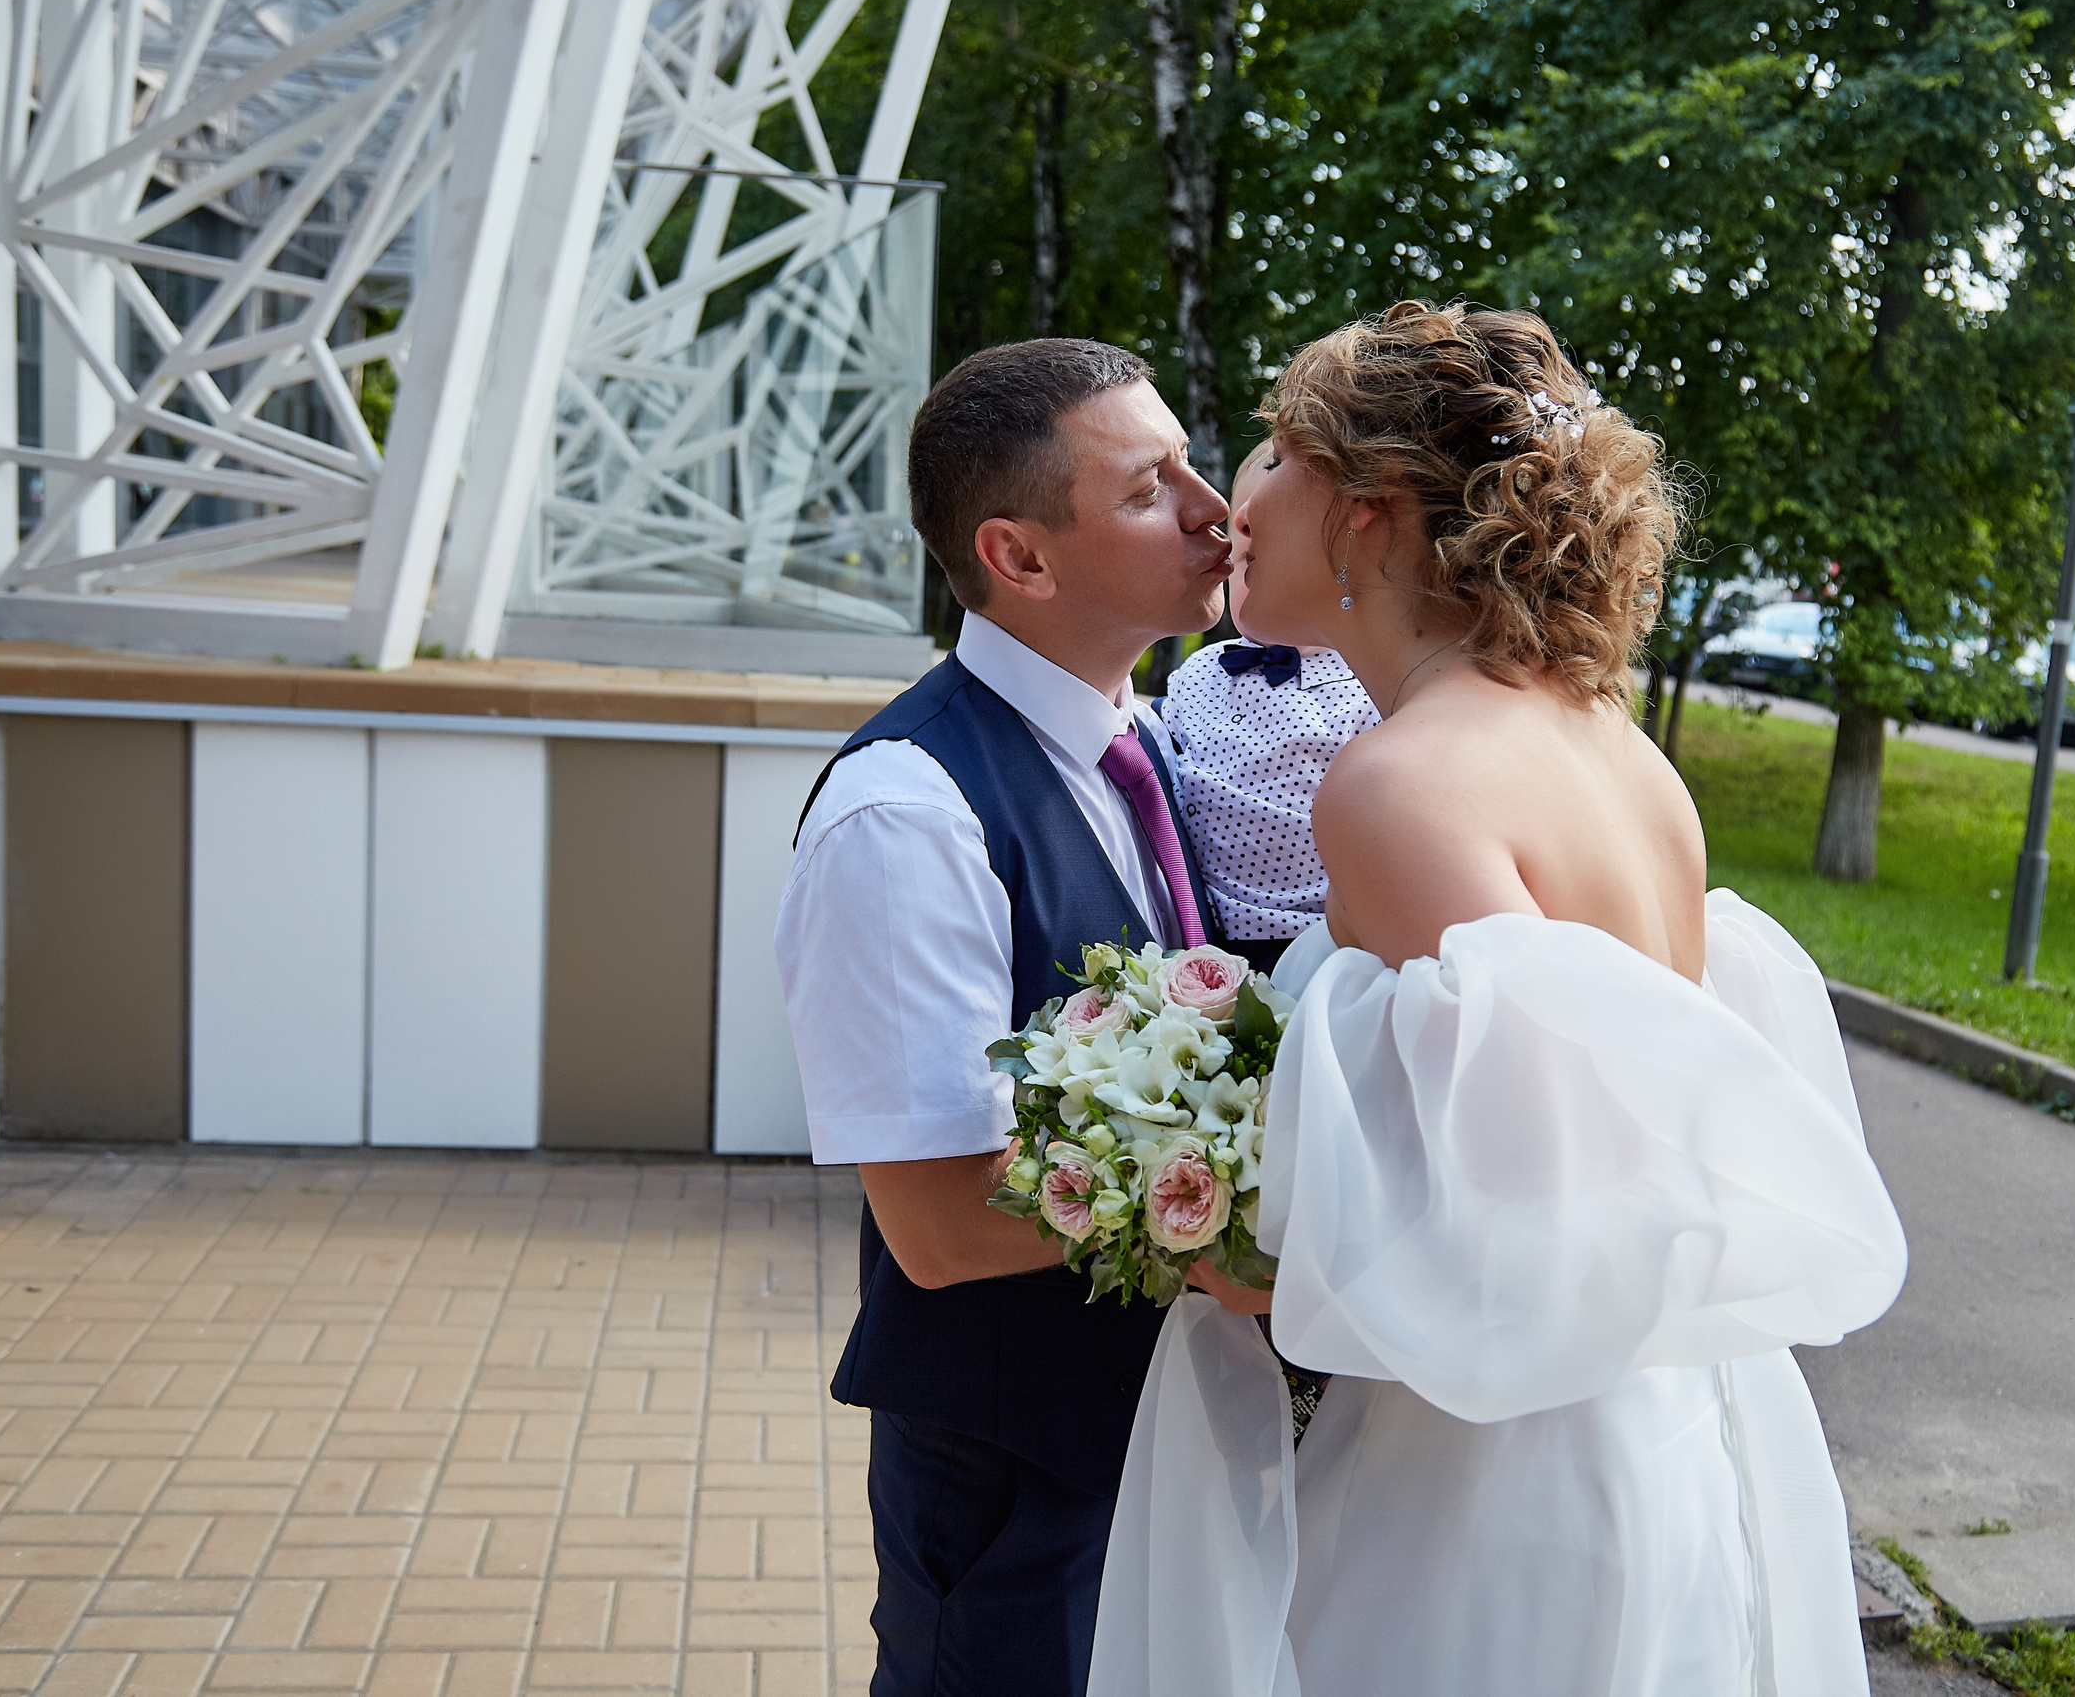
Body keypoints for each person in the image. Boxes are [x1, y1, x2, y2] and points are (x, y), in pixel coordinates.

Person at [1089, 301, 1909, 1697]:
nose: (1240, 497)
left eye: (1281, 459)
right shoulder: (1617, 750)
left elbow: (1529, 1223)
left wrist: (1230, 1256)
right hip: (1653, 1439)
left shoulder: (1401, 785)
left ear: (1371, 515)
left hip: (1492, 1499)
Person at [772, 337, 1230, 1697]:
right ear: (1021, 559)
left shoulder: (1144, 748)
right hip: (1018, 1472)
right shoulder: (905, 811)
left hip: (1148, 1438)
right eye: (1153, 489)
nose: (1216, 509)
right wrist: (1247, 1217)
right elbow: (939, 1219)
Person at [1161, 442, 1383, 982]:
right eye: (1238, 539)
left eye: (1260, 539)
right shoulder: (1198, 674)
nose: (1239, 557)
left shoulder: (1369, 683)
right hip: (1200, 939)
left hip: (1325, 947)